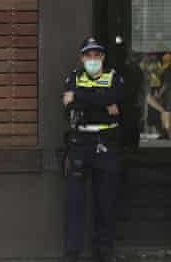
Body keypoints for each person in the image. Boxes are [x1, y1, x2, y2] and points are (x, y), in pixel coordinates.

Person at [62, 37, 124, 262]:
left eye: (97, 55)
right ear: (82, 57)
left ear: (103, 57)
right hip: (80, 142)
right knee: (75, 202)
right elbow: (69, 104)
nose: (93, 59)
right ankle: (72, 251)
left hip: (107, 141)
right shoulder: (73, 77)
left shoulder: (114, 77)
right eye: (88, 55)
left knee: (106, 201)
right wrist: (101, 103)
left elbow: (116, 99)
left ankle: (104, 250)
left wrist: (80, 97)